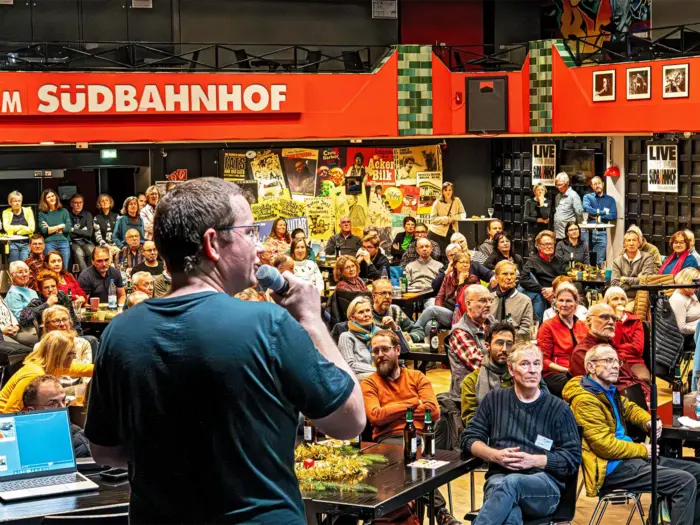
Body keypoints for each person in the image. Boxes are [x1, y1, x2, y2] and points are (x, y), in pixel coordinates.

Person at [84, 177, 365, 525]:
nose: (259, 246)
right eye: (250, 232)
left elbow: (104, 450)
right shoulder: (268, 324)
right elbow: (350, 420)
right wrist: (311, 320)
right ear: (213, 243)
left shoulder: (120, 332)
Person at [564, 344, 700, 525]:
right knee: (683, 482)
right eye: (608, 360)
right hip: (611, 468)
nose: (615, 366)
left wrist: (648, 420)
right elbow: (604, 446)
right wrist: (642, 450)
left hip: (629, 459)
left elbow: (629, 408)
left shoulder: (605, 390)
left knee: (697, 472)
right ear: (591, 366)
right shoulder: (585, 400)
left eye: (617, 361)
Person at [461, 343, 581, 525]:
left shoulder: (559, 408)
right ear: (511, 369)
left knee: (512, 483)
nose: (532, 370)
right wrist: (494, 455)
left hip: (544, 486)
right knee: (510, 514)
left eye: (537, 364)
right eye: (525, 364)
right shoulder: (495, 399)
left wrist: (534, 460)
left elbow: (572, 458)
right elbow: (469, 438)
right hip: (499, 478)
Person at [362, 330, 460, 525]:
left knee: (414, 454)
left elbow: (433, 411)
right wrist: (412, 403)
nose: (380, 355)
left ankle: (430, 512)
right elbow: (376, 416)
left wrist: (391, 410)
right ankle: (440, 512)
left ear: (397, 350)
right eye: (375, 351)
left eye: (385, 349)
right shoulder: (370, 383)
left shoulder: (416, 377)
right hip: (387, 441)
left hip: (420, 438)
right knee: (413, 457)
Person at [568, 304, 649, 399]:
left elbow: (630, 377)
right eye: (604, 317)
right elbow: (597, 392)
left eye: (614, 319)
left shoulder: (610, 345)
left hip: (635, 395)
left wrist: (646, 393)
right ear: (589, 320)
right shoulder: (582, 352)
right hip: (619, 401)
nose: (611, 322)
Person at [0, 330, 92, 413]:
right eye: (70, 353)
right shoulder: (34, 374)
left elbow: (87, 369)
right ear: (57, 355)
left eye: (74, 353)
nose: (74, 357)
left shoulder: (55, 366)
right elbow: (10, 412)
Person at [537, 283, 589, 397]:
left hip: (581, 372)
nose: (564, 304)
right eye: (561, 300)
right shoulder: (547, 327)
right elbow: (543, 360)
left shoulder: (583, 326)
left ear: (576, 303)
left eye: (568, 301)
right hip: (556, 373)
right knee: (582, 389)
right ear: (555, 302)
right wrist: (568, 370)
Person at [461, 322, 516, 426]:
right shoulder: (471, 381)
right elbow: (471, 420)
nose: (504, 349)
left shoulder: (519, 377)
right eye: (499, 343)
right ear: (487, 346)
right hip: (486, 432)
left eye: (509, 344)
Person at [22, 375, 91, 458]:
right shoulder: (21, 438)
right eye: (52, 404)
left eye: (63, 400)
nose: (63, 408)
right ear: (31, 411)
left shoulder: (77, 442)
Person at [446, 284, 493, 403]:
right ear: (468, 304)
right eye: (483, 300)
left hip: (492, 386)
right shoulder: (460, 332)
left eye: (490, 300)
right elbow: (480, 364)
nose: (488, 304)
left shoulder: (492, 322)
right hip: (469, 395)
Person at [418, 252, 479, 332]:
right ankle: (423, 339)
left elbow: (460, 302)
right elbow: (440, 296)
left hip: (460, 315)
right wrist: (439, 310)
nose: (465, 265)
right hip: (446, 310)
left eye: (467, 263)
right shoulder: (449, 277)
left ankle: (413, 330)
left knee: (431, 309)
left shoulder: (473, 280)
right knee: (430, 325)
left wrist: (461, 282)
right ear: (455, 265)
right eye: (462, 262)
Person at [604, 286, 649, 383]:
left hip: (634, 361)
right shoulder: (604, 320)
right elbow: (611, 346)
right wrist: (618, 321)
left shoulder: (635, 320)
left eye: (622, 299)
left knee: (643, 380)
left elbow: (638, 348)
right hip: (612, 360)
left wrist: (619, 348)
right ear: (607, 303)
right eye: (615, 299)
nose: (619, 302)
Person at [18, 269, 82, 335]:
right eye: (46, 287)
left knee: (88, 338)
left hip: (67, 334)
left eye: (53, 286)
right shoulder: (37, 302)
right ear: (40, 290)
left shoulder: (62, 296)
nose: (50, 290)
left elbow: (73, 318)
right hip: (49, 337)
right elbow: (23, 321)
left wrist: (78, 335)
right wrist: (47, 304)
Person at [520, 230, 564, 320]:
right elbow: (523, 279)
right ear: (538, 246)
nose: (549, 246)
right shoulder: (533, 261)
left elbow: (565, 278)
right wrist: (542, 289)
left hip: (558, 291)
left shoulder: (559, 259)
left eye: (551, 244)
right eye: (546, 244)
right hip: (543, 294)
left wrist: (554, 290)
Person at [370, 279, 425, 343]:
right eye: (383, 293)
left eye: (390, 293)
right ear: (374, 296)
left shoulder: (395, 310)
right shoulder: (367, 314)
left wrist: (410, 337)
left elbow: (419, 331)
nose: (387, 297)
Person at [489, 261, 533, 340]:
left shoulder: (525, 300)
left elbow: (526, 329)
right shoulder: (488, 299)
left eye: (512, 274)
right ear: (496, 277)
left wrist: (509, 341)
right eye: (505, 274)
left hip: (515, 342)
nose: (509, 277)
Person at [337, 297, 378, 380]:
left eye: (368, 310)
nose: (366, 315)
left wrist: (394, 328)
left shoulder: (379, 333)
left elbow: (401, 350)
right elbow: (350, 365)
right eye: (361, 312)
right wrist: (378, 370)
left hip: (380, 375)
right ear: (352, 318)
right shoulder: (346, 337)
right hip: (358, 379)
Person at [611, 231, 656, 301]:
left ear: (639, 243)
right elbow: (614, 283)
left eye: (634, 240)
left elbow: (646, 280)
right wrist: (637, 280)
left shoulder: (647, 258)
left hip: (641, 298)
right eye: (629, 240)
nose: (631, 243)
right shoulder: (617, 261)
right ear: (624, 244)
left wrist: (625, 279)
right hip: (621, 298)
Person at [583, 176, 617, 264]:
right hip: (588, 232)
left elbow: (613, 215)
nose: (597, 185)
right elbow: (587, 208)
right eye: (594, 184)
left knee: (599, 261)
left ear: (603, 184)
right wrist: (602, 212)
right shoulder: (587, 197)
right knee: (586, 260)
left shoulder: (610, 200)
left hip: (602, 233)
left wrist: (598, 217)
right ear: (592, 186)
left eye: (599, 183)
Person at [429, 181, 466, 255]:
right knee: (438, 254)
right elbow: (432, 219)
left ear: (452, 191)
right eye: (445, 190)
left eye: (450, 190)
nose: (448, 192)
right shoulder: (437, 202)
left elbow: (463, 214)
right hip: (437, 232)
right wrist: (447, 219)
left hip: (452, 231)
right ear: (442, 192)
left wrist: (453, 218)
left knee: (451, 254)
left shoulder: (457, 200)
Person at [37, 189, 71, 269]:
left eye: (53, 196)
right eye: (48, 197)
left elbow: (67, 229)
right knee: (50, 268)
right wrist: (60, 226)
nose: (51, 198)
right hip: (49, 242)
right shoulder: (42, 214)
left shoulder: (64, 211)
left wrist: (50, 228)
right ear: (45, 200)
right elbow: (44, 231)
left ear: (56, 197)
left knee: (64, 267)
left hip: (63, 242)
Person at [2, 191, 34, 263]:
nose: (17, 203)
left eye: (19, 201)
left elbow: (32, 228)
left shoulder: (28, 211)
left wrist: (17, 232)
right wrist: (22, 227)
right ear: (10, 202)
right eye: (15, 201)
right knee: (14, 265)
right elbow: (6, 227)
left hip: (26, 243)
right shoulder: (6, 212)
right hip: (12, 243)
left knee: (24, 265)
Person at [68, 193, 95, 272]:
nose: (78, 205)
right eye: (76, 203)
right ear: (71, 204)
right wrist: (83, 231)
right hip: (73, 242)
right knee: (79, 254)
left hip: (86, 241)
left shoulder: (87, 214)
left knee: (92, 251)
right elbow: (68, 233)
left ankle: (90, 274)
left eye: (80, 202)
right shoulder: (68, 215)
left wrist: (73, 230)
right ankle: (85, 276)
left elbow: (89, 233)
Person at [553, 172, 583, 241]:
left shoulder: (574, 196)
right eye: (557, 185)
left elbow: (579, 214)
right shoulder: (557, 196)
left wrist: (578, 231)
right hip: (558, 233)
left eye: (560, 184)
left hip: (569, 235)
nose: (558, 187)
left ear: (567, 183)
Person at [669, 268, 700, 336]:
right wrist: (698, 327)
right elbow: (682, 328)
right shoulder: (678, 299)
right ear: (687, 282)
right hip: (690, 337)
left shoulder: (691, 293)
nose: (697, 287)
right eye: (695, 283)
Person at [524, 183, 552, 253]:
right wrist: (538, 220)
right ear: (534, 192)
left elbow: (546, 216)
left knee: (543, 252)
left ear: (545, 192)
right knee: (532, 253)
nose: (540, 191)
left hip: (543, 232)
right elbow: (525, 217)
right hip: (532, 232)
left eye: (542, 190)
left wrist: (541, 203)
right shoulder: (529, 202)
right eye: (538, 190)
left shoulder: (548, 202)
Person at [93, 193, 120, 262]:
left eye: (106, 200)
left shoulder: (117, 216)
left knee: (120, 252)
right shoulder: (96, 218)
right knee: (108, 254)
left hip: (116, 245)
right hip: (103, 246)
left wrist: (115, 246)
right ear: (99, 204)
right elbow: (98, 237)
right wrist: (108, 247)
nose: (104, 202)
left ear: (110, 203)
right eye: (102, 201)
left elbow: (119, 233)